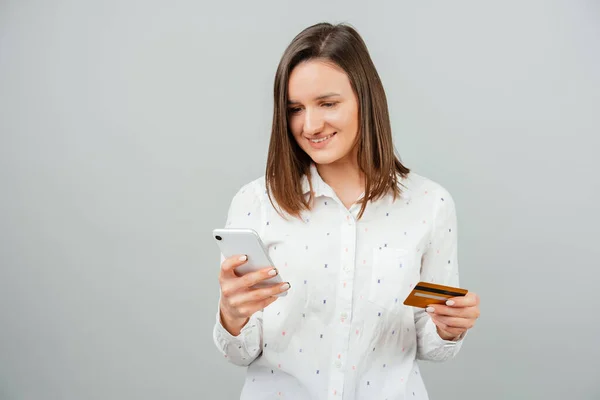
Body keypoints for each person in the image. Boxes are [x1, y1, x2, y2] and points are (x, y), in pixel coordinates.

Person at [212, 22, 480, 400]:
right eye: (295, 109)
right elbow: (241, 352)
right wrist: (232, 316)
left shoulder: (429, 205)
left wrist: (450, 327)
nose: (310, 125)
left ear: (365, 99)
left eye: (327, 103)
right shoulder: (255, 203)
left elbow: (429, 342)